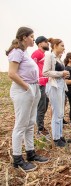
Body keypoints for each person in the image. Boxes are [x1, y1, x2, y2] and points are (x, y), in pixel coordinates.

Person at [7, 27, 48, 172]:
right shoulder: (16, 52)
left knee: (30, 123)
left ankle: (30, 153)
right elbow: (11, 74)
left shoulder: (24, 52)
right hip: (23, 90)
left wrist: (33, 88)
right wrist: (27, 87)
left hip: (32, 88)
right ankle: (17, 159)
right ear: (24, 37)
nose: (33, 39)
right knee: (21, 125)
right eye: (31, 36)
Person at [43, 38, 70, 147]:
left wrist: (64, 74)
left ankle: (60, 135)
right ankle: (56, 138)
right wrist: (61, 73)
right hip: (53, 86)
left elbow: (59, 72)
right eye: (62, 45)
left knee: (61, 112)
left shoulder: (59, 58)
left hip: (60, 85)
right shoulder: (50, 56)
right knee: (56, 111)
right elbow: (45, 72)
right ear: (55, 46)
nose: (64, 48)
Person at [31, 36, 50, 135]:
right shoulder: (37, 53)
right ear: (39, 44)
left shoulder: (44, 54)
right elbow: (32, 67)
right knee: (42, 106)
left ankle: (39, 124)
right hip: (39, 83)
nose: (47, 43)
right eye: (45, 42)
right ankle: (40, 129)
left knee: (45, 104)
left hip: (45, 83)